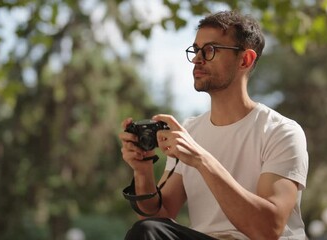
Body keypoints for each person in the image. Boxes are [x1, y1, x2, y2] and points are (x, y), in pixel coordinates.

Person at [119, 10, 309, 240]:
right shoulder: (190, 131)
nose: (198, 58)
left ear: (245, 59)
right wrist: (143, 171)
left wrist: (201, 159)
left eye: (210, 50)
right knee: (147, 231)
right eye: (196, 49)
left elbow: (268, 230)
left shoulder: (282, 132)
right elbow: (160, 215)